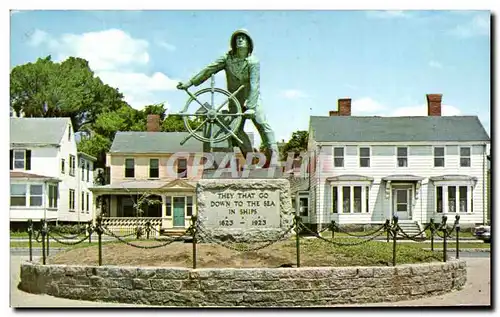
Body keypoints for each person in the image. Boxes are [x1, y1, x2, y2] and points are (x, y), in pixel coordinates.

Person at [177, 29, 279, 167]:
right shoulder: (227, 59)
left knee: (262, 123)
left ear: (249, 43)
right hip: (235, 99)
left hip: (252, 97)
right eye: (238, 38)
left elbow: (255, 85)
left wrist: (251, 107)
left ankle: (274, 159)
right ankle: (252, 160)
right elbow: (209, 69)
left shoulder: (253, 62)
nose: (240, 40)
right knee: (235, 130)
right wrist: (190, 83)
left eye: (243, 38)